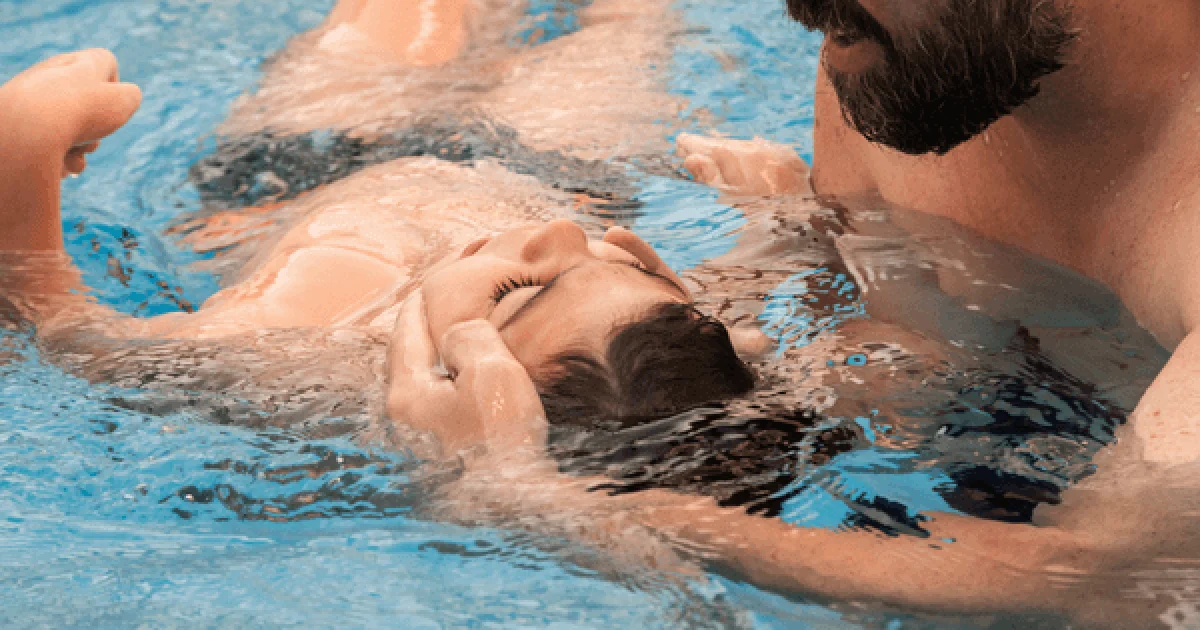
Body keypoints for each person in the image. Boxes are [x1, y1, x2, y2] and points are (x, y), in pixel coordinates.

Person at [427, 0, 1200, 625]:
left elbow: (1093, 568)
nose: (799, 11)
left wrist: (554, 499)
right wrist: (746, 259)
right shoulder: (891, 53)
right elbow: (876, 335)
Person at [0, 49, 756, 467]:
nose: (559, 235)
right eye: (624, 267)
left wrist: (23, 141)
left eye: (520, 292)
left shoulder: (301, 361)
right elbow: (759, 289)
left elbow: (65, 331)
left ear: (449, 383)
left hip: (302, 168)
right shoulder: (661, 334)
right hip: (560, 166)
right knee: (630, 25)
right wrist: (773, 217)